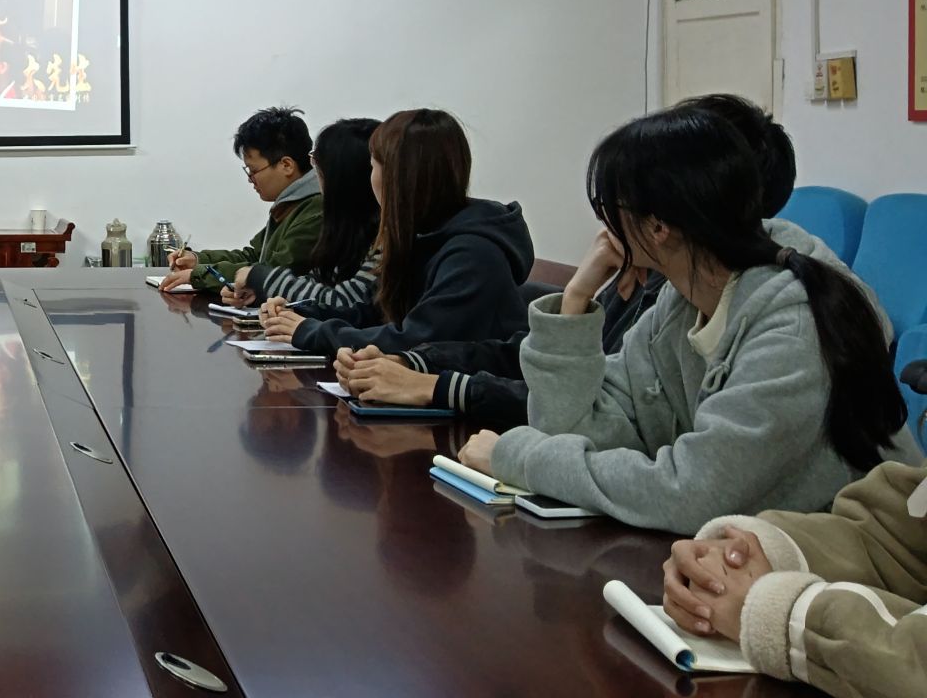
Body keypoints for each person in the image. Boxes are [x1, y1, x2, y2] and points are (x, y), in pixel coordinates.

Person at [454, 106, 919, 532]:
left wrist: (521, 459)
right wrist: (575, 298)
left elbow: (694, 492)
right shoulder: (681, 302)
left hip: (859, 566)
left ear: (658, 226)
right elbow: (577, 429)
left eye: (609, 209)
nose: (604, 227)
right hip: (742, 553)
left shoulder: (793, 328)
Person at [337, 93, 869, 426]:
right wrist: (422, 363)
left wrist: (439, 386)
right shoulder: (665, 283)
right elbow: (585, 394)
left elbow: (615, 418)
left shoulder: (747, 302)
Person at [662, 384, 926, 698]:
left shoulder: (792, 352)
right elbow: (893, 543)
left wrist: (779, 611)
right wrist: (737, 556)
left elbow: (691, 489)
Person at [259, 108, 532, 357]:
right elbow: (373, 310)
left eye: (373, 166)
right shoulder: (420, 234)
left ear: (397, 176)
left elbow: (416, 339)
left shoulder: (472, 254)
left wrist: (313, 332)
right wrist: (300, 313)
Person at [225, 116, 382, 315]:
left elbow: (344, 302)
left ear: (342, 178)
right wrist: (264, 293)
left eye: (319, 166)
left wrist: (260, 279)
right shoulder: (350, 227)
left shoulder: (385, 237)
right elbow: (321, 281)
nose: (315, 175)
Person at [161, 107, 325, 293]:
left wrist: (200, 274)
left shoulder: (315, 209)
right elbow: (254, 256)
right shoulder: (291, 203)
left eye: (253, 171)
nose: (250, 179)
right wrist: (198, 260)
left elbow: (271, 272)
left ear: (286, 165)